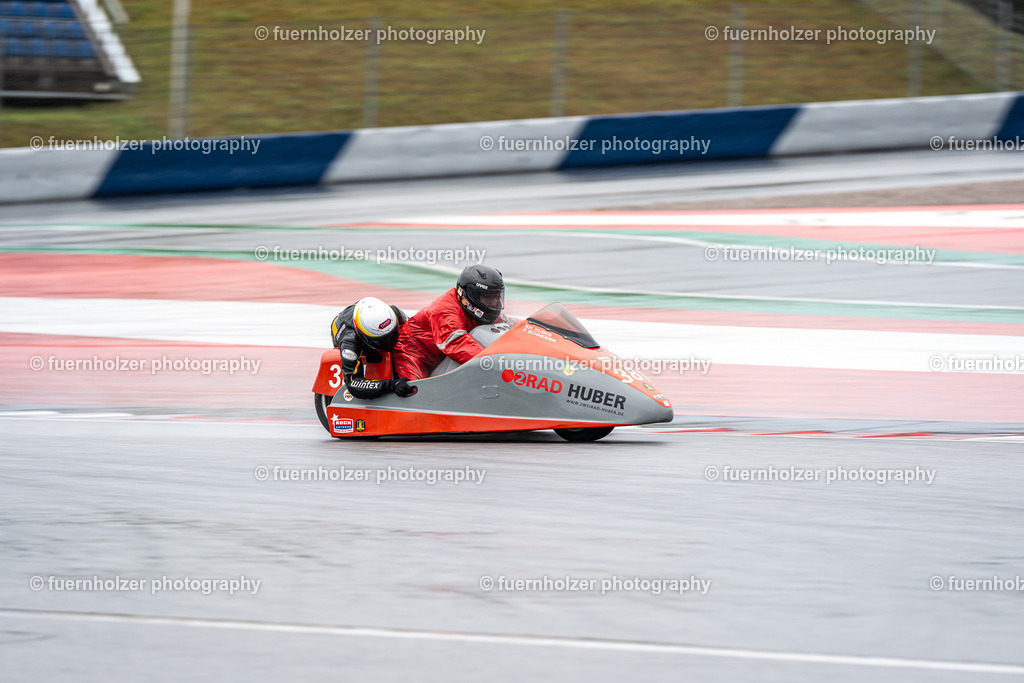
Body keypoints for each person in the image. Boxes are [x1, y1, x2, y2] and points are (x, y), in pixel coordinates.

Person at [392, 264, 506, 380]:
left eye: (497, 297)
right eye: (488, 297)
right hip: (412, 353)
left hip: (439, 358)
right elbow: (456, 343)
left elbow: (506, 322)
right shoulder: (445, 310)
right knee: (416, 392)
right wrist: (492, 362)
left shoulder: (476, 310)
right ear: (471, 295)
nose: (495, 303)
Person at [330, 296, 417, 399]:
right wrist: (391, 385)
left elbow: (415, 331)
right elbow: (353, 384)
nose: (389, 342)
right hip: (346, 333)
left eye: (392, 335)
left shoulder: (394, 313)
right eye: (382, 341)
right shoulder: (349, 342)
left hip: (367, 315)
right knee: (370, 359)